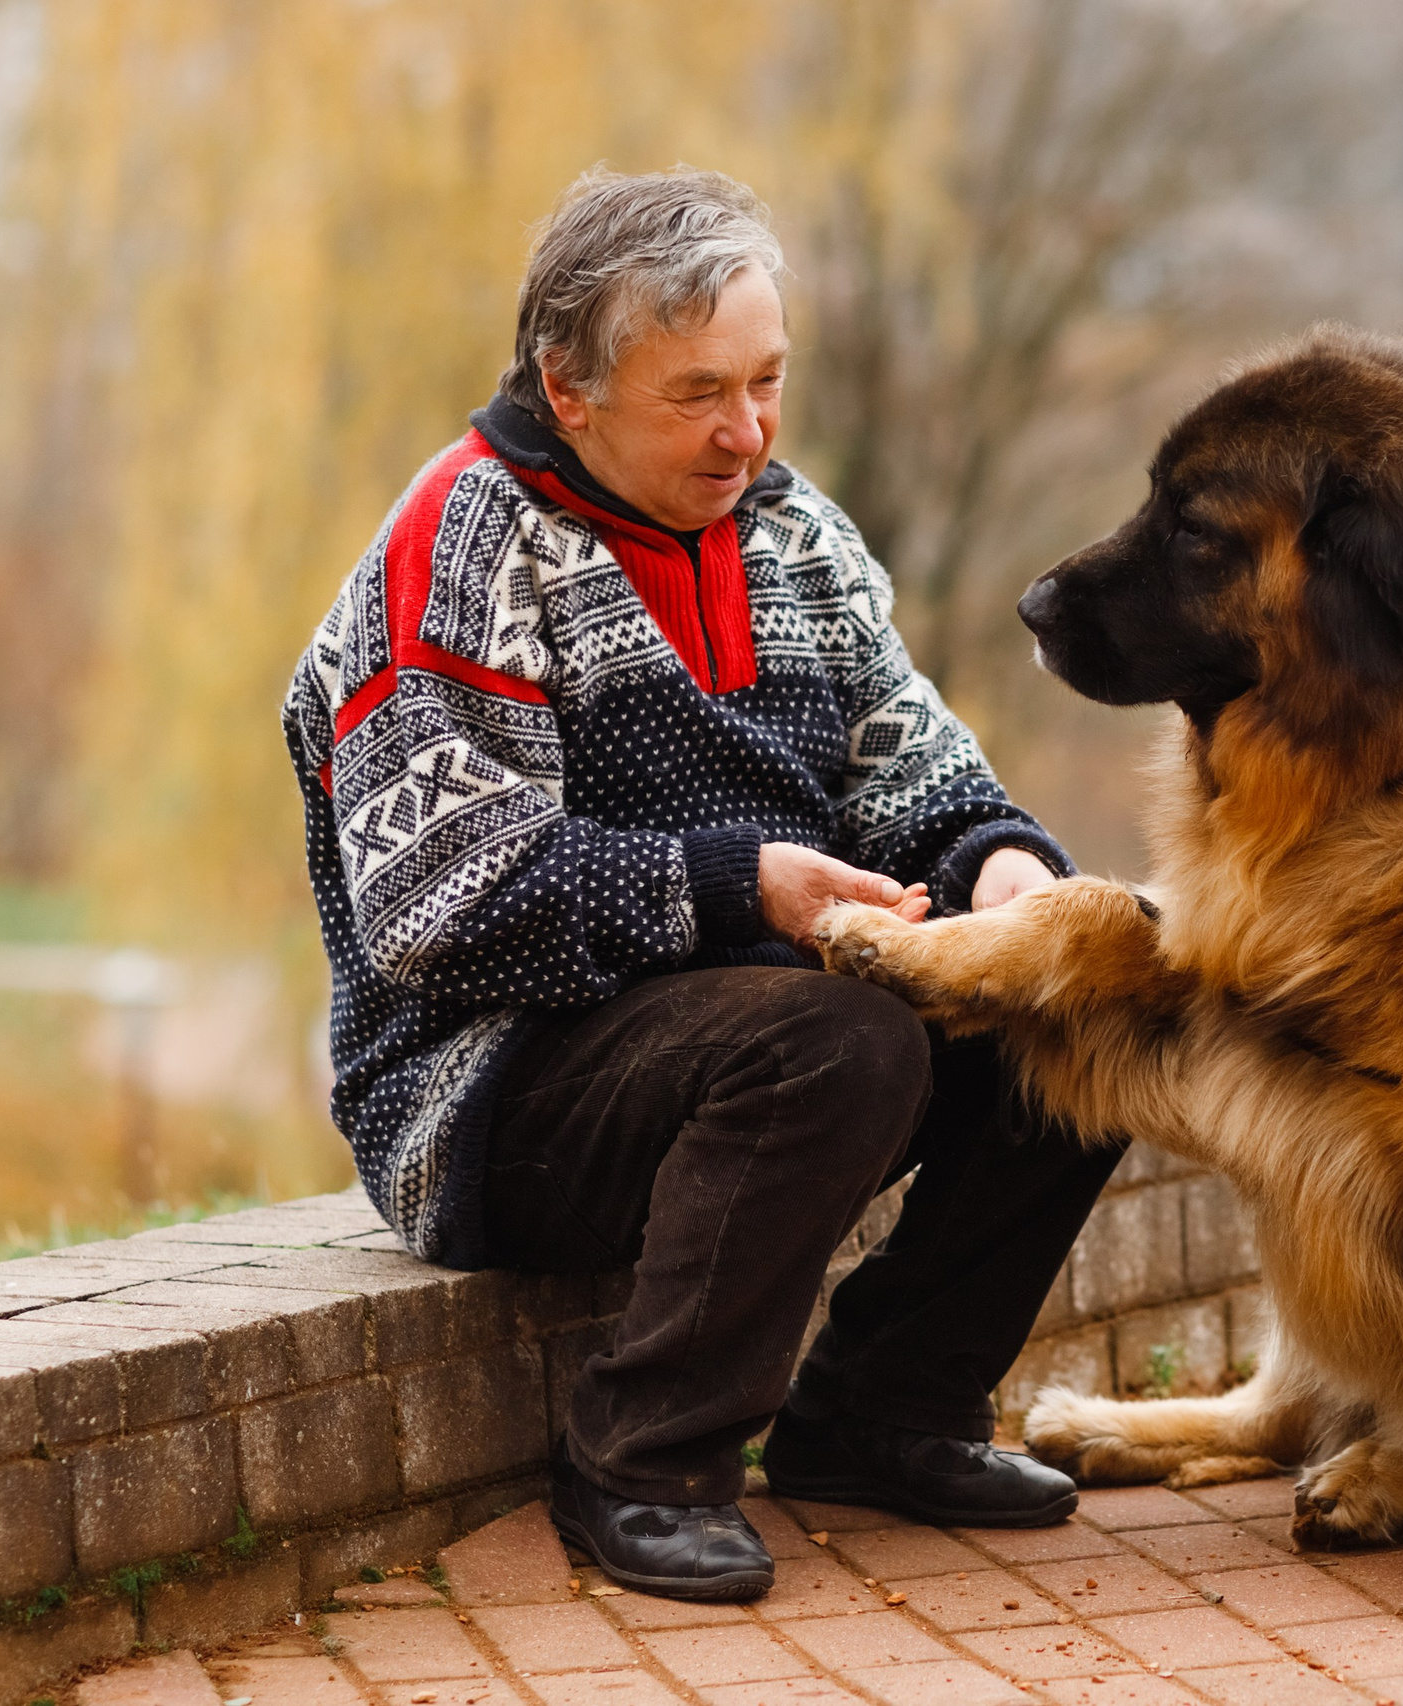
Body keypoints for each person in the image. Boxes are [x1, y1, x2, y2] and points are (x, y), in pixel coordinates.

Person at [281, 166, 1124, 1602]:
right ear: (571, 387)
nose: (747, 431)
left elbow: (924, 780)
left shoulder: (798, 535)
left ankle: (884, 1411)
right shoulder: (459, 546)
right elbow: (435, 904)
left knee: (1085, 998)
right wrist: (745, 886)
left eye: (767, 381)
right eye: (699, 395)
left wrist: (1007, 877)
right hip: (481, 1090)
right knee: (842, 1037)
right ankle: (642, 1460)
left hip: (748, 1034)